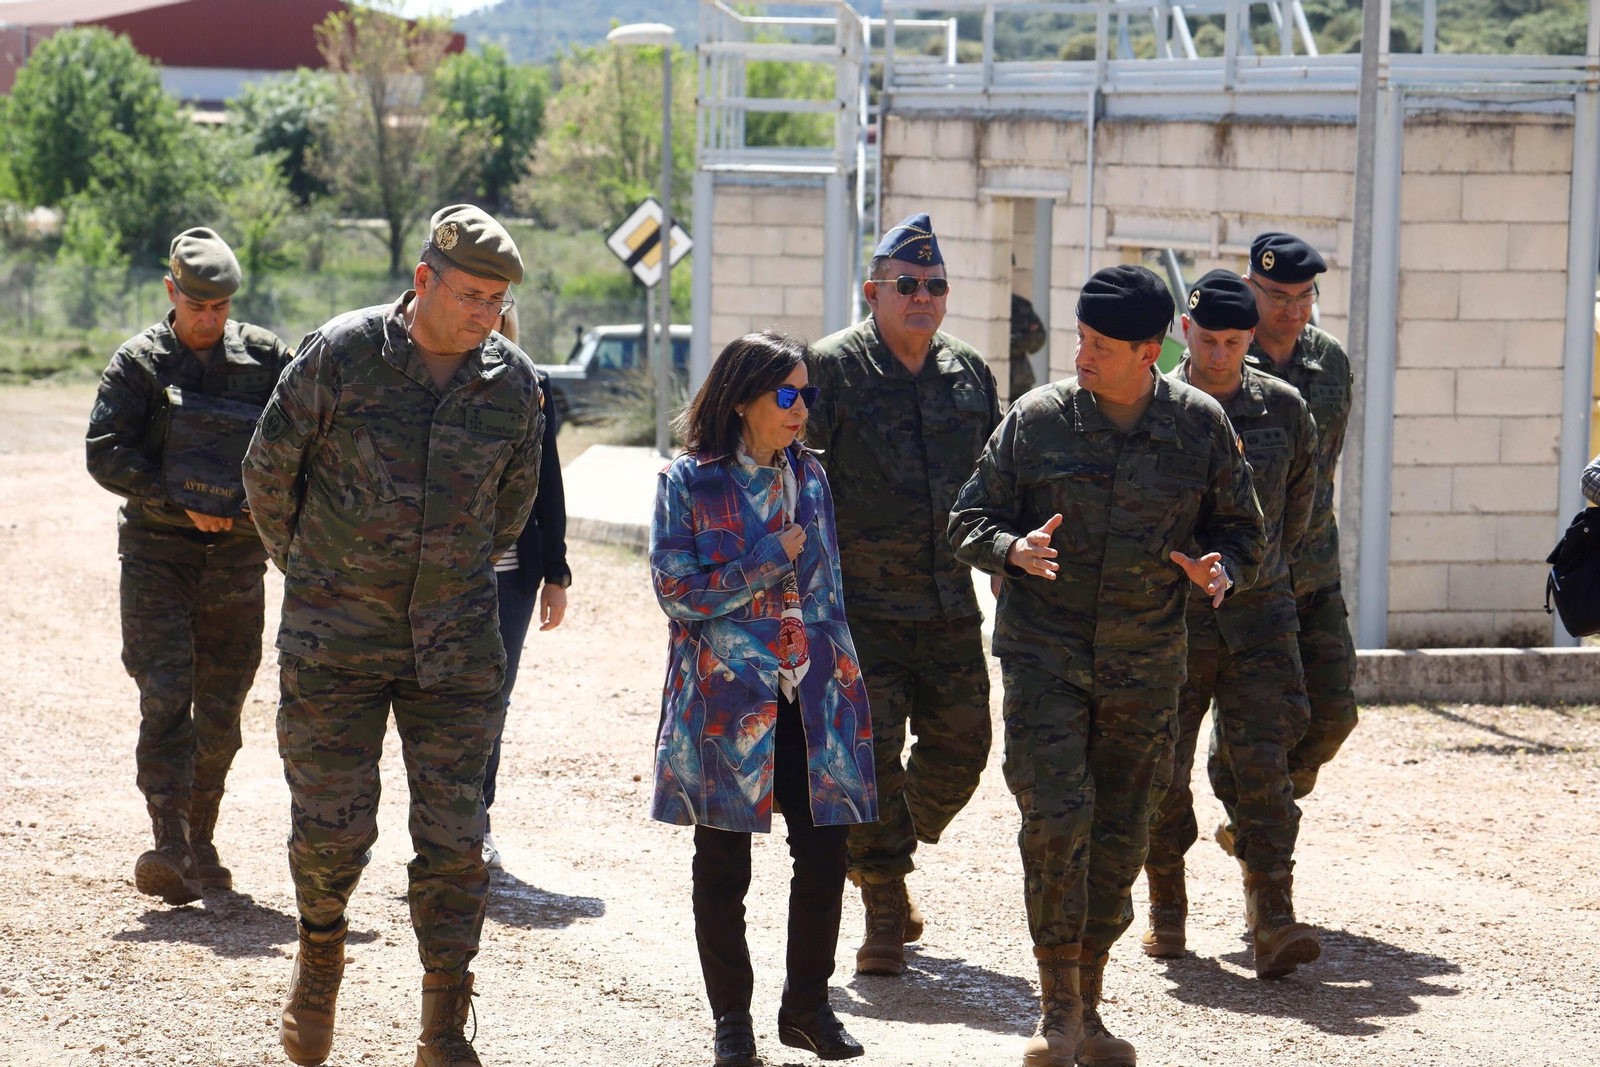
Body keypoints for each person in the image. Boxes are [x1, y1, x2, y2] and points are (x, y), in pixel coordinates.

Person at [243, 205, 543, 1067]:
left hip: (454, 647)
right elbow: (268, 473)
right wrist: (311, 574)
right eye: (473, 296)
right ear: (425, 281)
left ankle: (444, 1020)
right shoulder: (340, 355)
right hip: (333, 641)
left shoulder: (514, 386)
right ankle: (321, 948)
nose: (486, 315)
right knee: (332, 827)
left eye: (498, 301)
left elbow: (508, 514)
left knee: (455, 834)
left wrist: (445, 580)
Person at [949, 264, 1266, 1067]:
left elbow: (1247, 533)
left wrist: (1222, 566)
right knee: (1056, 820)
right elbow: (968, 517)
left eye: (1100, 345)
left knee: (1121, 834)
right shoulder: (1038, 420)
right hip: (1044, 659)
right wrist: (1010, 548)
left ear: (1149, 352)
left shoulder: (1200, 427)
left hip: (1147, 666)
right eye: (1081, 339)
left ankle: (1089, 1002)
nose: (1082, 356)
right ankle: (1056, 1008)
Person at [650, 331, 877, 1067]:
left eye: (807, 394)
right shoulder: (689, 481)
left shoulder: (813, 478)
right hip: (724, 704)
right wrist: (762, 559)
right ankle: (732, 1022)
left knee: (824, 854)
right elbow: (678, 594)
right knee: (723, 866)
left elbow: (831, 592)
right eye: (787, 394)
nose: (801, 408)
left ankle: (806, 1005)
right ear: (743, 398)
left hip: (812, 699)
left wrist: (847, 689)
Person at [807, 213, 1000, 977]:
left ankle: (879, 848)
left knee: (964, 749)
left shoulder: (969, 373)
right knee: (870, 756)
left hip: (950, 603)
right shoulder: (831, 369)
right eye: (908, 285)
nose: (924, 297)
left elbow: (997, 477)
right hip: (860, 611)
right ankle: (885, 901)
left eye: (936, 285)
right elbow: (795, 477)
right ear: (873, 292)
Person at [86, 227, 292, 906]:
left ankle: (201, 837)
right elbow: (105, 451)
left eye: (222, 307)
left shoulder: (266, 360)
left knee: (224, 710)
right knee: (167, 692)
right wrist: (175, 496)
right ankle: (168, 839)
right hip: (159, 558)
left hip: (237, 561)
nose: (210, 318)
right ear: (172, 290)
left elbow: (310, 426)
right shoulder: (139, 364)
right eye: (198, 304)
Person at [1142, 270, 1321, 978]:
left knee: (1266, 766)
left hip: (1257, 618)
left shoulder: (1285, 410)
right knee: (1161, 768)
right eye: (1208, 339)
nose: (1220, 354)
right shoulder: (1154, 409)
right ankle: (1166, 901)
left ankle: (1272, 913)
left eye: (1235, 341)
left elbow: (1299, 511)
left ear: (1252, 339)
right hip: (1171, 621)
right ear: (1184, 333)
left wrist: (1257, 573)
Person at [1241, 232, 1358, 806]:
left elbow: (1327, 465)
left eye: (1304, 297)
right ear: (1250, 289)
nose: (1292, 310)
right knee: (1262, 727)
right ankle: (1256, 815)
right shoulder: (1226, 357)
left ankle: (1263, 804)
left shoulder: (1330, 361)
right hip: (1250, 580)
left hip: (1314, 571)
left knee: (1335, 713)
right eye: (1278, 296)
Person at [483, 304, 570, 871]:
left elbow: (549, 482)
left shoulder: (533, 386)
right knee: (427, 699)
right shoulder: (417, 379)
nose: (488, 316)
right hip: (436, 574)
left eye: (498, 306)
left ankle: (474, 817)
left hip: (513, 575)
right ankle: (436, 815)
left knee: (494, 696)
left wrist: (556, 572)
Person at [1010, 292, 1048, 402]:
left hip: (1020, 379)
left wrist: (1018, 340)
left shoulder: (1021, 306)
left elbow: (1038, 338)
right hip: (996, 378)